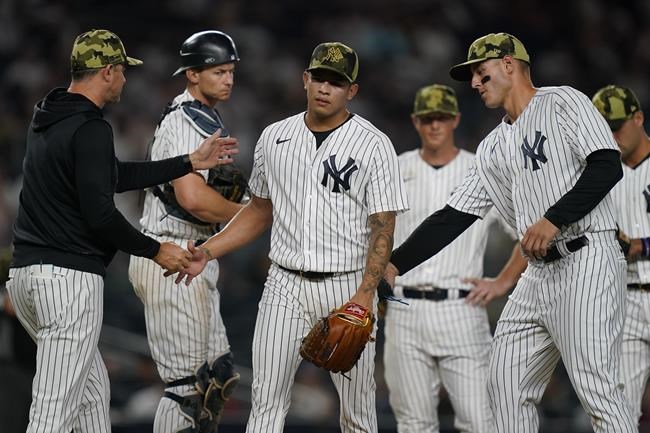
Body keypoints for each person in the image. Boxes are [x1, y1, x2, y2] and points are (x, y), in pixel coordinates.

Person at [384, 33, 636, 433]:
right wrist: (394, 265)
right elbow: (452, 216)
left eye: (481, 74)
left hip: (587, 258)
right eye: (472, 78)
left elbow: (606, 166)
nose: (474, 84)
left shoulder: (563, 101)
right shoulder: (492, 147)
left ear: (508, 64)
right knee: (504, 385)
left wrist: (553, 219)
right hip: (537, 275)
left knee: (596, 387)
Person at [5, 29, 237, 433]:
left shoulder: (50, 117)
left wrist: (187, 161)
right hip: (66, 283)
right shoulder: (92, 127)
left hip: (26, 278)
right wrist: (154, 250)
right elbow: (101, 216)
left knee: (93, 401)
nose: (126, 80)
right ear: (108, 72)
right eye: (123, 71)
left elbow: (111, 175)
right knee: (51, 416)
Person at [173, 42, 409, 433]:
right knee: (266, 403)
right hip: (284, 284)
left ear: (352, 91)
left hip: (346, 285)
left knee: (357, 414)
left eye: (337, 82)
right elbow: (259, 211)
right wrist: (208, 252)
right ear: (305, 79)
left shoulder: (374, 144)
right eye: (319, 77)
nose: (325, 87)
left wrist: (365, 295)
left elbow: (383, 227)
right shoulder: (274, 137)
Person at [382, 83, 527, 433]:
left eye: (442, 118)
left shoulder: (480, 168)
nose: (435, 126)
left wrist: (504, 280)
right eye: (428, 118)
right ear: (416, 121)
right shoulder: (394, 169)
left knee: (481, 422)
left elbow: (527, 233)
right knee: (413, 424)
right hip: (404, 309)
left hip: (462, 309)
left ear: (455, 120)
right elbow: (373, 236)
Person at [128, 30, 244, 433]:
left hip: (190, 253)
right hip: (171, 254)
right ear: (192, 74)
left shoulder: (203, 116)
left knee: (218, 377)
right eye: (217, 71)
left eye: (230, 71)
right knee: (186, 390)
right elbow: (193, 198)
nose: (227, 79)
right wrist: (244, 213)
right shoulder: (184, 120)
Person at [593, 84, 650, 425]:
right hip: (622, 301)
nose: (612, 136)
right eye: (605, 129)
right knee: (619, 412)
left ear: (639, 118)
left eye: (617, 126)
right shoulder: (595, 176)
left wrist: (641, 246)